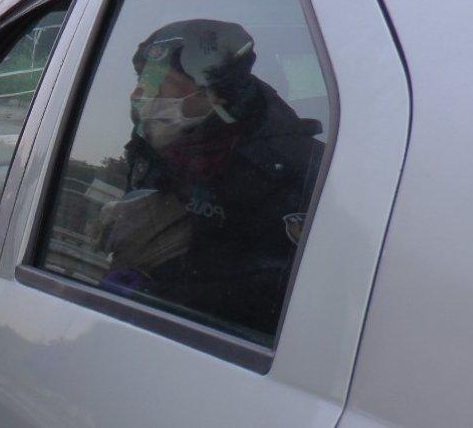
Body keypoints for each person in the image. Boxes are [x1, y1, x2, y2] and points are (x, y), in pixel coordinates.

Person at [98, 19, 324, 339]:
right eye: (141, 78)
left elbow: (287, 303)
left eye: (158, 80)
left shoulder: (291, 172)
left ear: (211, 94)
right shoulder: (159, 148)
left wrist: (159, 286)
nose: (138, 93)